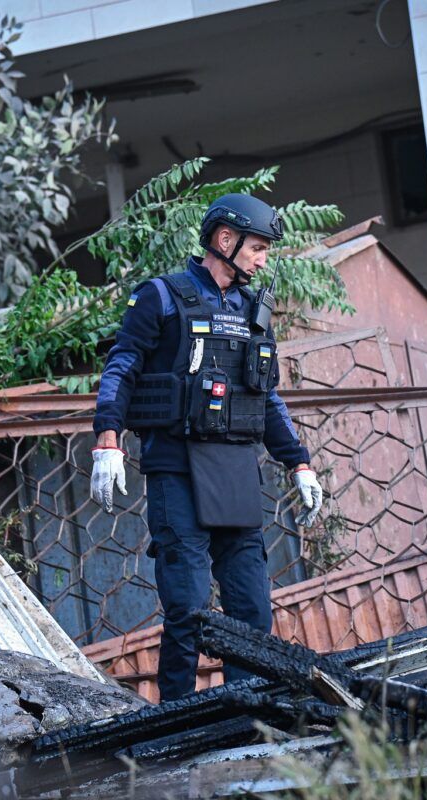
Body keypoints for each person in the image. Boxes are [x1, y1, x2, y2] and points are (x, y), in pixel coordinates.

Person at [89, 193, 323, 701]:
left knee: (251, 610)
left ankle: (250, 712)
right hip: (176, 470)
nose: (263, 260)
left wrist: (299, 463)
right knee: (189, 609)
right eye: (258, 248)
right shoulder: (161, 296)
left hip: (236, 473)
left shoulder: (253, 310)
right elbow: (122, 365)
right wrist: (107, 439)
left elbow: (266, 396)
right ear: (225, 239)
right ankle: (175, 716)